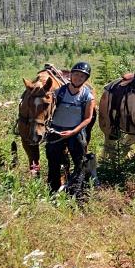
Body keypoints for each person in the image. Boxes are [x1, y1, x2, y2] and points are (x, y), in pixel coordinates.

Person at [45, 61, 96, 194]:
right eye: (76, 75)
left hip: (75, 132)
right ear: (71, 75)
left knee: (79, 164)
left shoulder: (87, 96)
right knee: (53, 163)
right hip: (56, 131)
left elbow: (87, 118)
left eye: (82, 77)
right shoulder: (59, 92)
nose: (78, 78)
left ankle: (76, 192)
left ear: (85, 79)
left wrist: (73, 131)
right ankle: (53, 190)